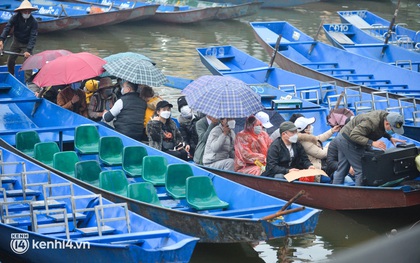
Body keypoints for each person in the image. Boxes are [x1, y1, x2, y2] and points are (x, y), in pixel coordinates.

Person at [333, 111, 406, 186]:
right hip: (347, 139)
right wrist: (372, 143)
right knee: (361, 170)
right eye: (393, 130)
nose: (393, 132)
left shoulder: (385, 117)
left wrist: (389, 137)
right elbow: (354, 135)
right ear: (387, 123)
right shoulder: (370, 122)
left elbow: (380, 128)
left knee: (342, 169)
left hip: (344, 136)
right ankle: (359, 195)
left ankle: (335, 191)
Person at [0, 0, 38, 81]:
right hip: (16, 41)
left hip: (27, 43)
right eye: (25, 11)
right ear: (21, 11)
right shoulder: (15, 17)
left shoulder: (33, 21)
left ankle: (28, 81)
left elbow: (33, 36)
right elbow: (7, 27)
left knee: (28, 62)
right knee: (10, 60)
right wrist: (1, 40)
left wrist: (28, 50)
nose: (27, 13)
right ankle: (11, 75)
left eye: (29, 11)